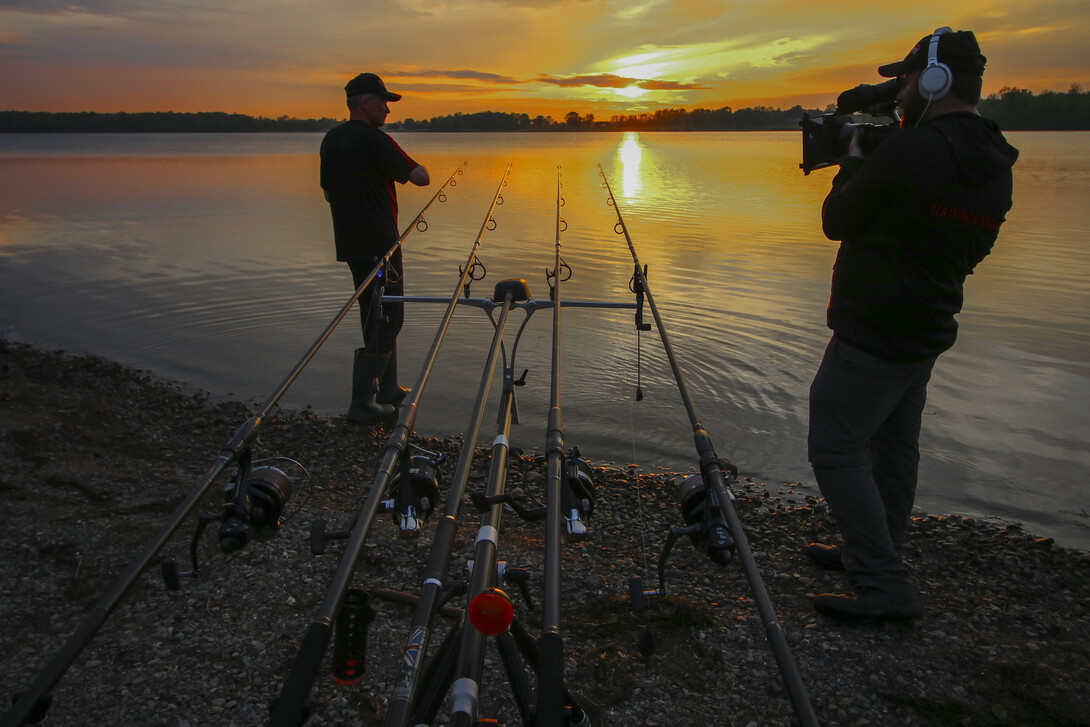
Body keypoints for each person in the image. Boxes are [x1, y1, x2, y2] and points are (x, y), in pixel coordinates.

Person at [805, 28, 1019, 619]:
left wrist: (850, 161)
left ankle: (882, 582)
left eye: (903, 81)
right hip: (927, 325)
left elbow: (836, 220)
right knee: (894, 446)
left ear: (934, 80)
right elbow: (963, 245)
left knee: (834, 445)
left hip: (875, 329)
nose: (897, 94)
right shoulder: (994, 159)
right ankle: (871, 549)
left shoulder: (909, 150)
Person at [320, 72, 430, 423]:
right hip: (381, 245)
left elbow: (327, 191)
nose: (387, 110)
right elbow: (419, 176)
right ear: (364, 102)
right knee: (389, 317)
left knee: (374, 313)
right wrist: (419, 165)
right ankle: (363, 403)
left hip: (351, 245)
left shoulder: (331, 139)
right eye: (383, 102)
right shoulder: (375, 139)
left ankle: (388, 388)